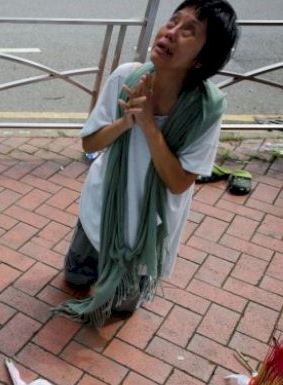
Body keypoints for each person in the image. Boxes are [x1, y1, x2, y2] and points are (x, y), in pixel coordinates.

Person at [54, 0, 239, 327]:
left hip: (148, 226)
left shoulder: (205, 109)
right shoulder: (127, 76)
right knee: (75, 279)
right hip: (103, 204)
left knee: (121, 309)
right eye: (173, 21)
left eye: (189, 31)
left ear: (202, 58)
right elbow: (90, 143)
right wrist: (126, 121)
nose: (171, 32)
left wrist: (150, 125)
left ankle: (124, 279)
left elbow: (179, 182)